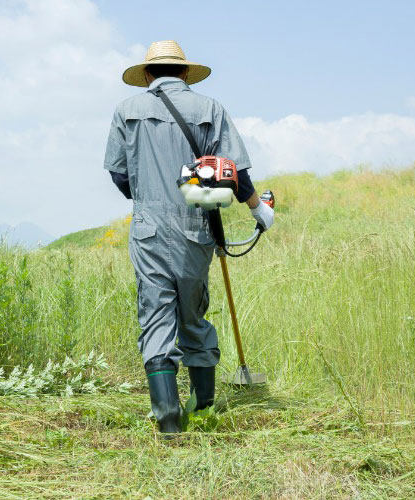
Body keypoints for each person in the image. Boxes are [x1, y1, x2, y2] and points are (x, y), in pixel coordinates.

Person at [103, 40, 274, 436]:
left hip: (147, 229)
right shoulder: (210, 109)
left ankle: (167, 420)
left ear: (147, 75)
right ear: (184, 73)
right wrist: (257, 208)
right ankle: (204, 409)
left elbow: (119, 177)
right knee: (193, 315)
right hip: (195, 227)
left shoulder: (125, 111)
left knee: (155, 316)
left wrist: (147, 192)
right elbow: (235, 174)